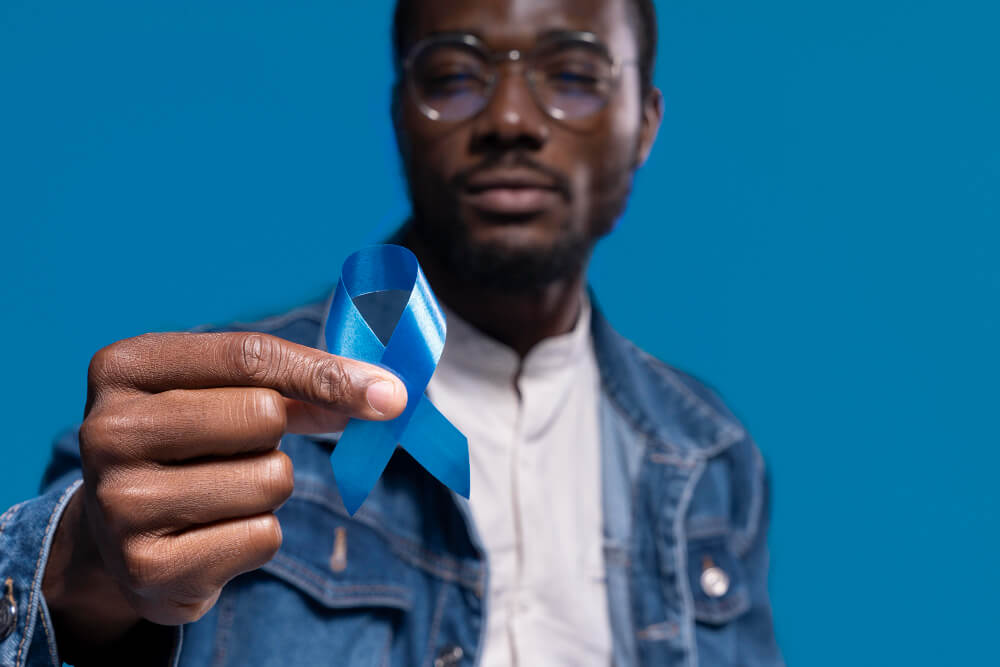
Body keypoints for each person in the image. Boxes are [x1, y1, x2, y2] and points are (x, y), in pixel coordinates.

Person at [0, 0, 782, 664]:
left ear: (644, 123)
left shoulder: (714, 455)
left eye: (574, 75)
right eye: (455, 75)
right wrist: (80, 560)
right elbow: (81, 564)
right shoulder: (221, 405)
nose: (510, 118)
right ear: (400, 115)